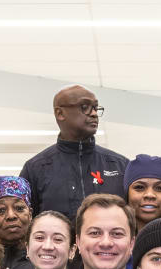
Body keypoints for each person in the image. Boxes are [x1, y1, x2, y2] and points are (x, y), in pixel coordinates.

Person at [20, 84, 129, 223]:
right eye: (85, 107)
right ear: (60, 113)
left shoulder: (120, 166)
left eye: (95, 108)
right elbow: (25, 222)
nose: (94, 113)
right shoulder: (35, 169)